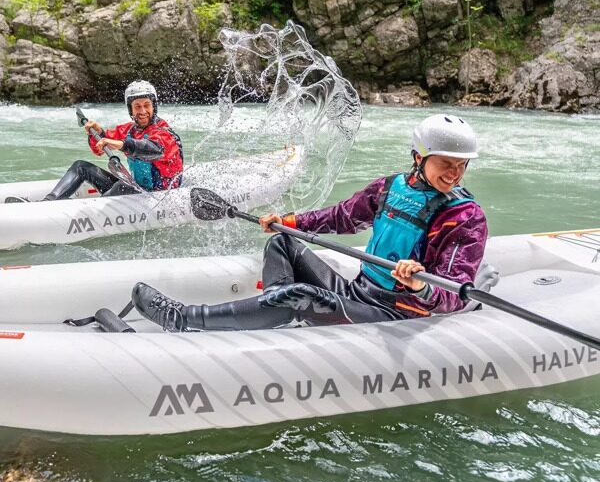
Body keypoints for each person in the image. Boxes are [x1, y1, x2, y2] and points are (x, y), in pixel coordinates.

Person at [132, 113, 488, 332]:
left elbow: (453, 291)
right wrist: (289, 221)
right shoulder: (390, 187)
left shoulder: (465, 218)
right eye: (446, 163)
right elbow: (342, 217)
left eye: (461, 165)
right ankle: (273, 312)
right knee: (283, 242)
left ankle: (186, 319)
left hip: (397, 312)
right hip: (359, 292)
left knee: (300, 294)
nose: (454, 174)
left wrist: (418, 285)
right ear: (419, 157)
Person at [20, 80, 183, 201]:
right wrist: (97, 133)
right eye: (137, 106)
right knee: (80, 167)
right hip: (137, 189)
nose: (142, 111)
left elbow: (152, 149)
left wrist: (122, 144)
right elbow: (98, 149)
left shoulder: (164, 133)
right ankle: (49, 203)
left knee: (123, 186)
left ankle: (93, 212)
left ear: (154, 106)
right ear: (130, 110)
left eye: (147, 105)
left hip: (159, 196)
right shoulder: (128, 130)